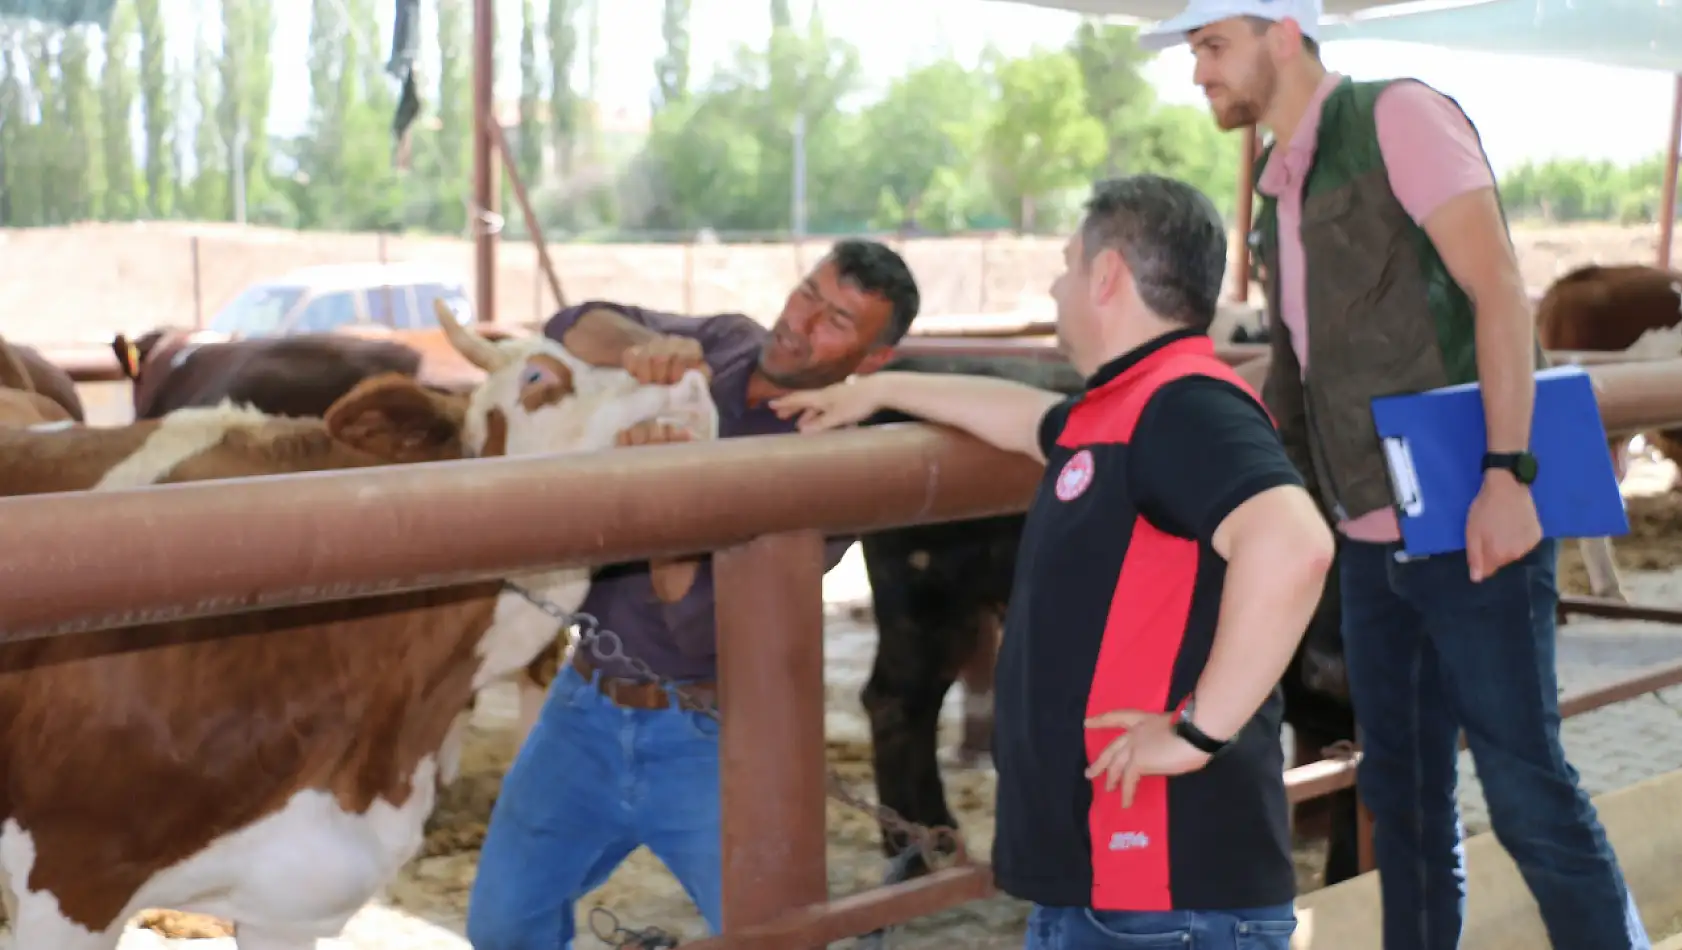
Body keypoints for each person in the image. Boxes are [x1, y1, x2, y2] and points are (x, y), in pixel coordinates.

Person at [1131, 3, 1653, 948]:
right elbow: (1307, 362)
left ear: (1282, 33)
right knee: (1402, 799)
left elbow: (1499, 287)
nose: (1198, 73)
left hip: (1468, 516)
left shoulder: (1397, 117)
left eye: (1211, 46)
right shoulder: (1281, 185)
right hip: (1369, 535)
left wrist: (1508, 475)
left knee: (1525, 786)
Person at [771, 175, 1335, 950]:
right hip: (1110, 887)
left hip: (1168, 891)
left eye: (1068, 263)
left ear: (1107, 277)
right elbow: (1031, 419)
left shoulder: (1188, 404)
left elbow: (1294, 543)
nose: (1055, 283)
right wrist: (883, 388)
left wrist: (1199, 732)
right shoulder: (1122, 408)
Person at [463, 238, 922, 950]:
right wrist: (651, 347)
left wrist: (670, 501)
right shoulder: (730, 342)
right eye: (807, 292)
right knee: (501, 926)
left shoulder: (832, 463)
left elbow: (699, 631)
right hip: (584, 708)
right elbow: (578, 322)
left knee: (774, 936)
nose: (800, 322)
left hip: (711, 736)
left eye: (835, 321)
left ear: (874, 361)